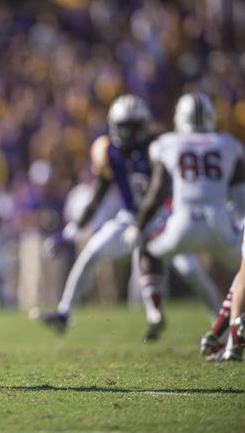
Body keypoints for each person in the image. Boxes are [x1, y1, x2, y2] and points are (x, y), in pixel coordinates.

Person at [41, 95, 221, 340]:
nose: (127, 133)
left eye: (133, 127)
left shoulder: (160, 145)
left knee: (189, 269)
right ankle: (65, 312)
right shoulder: (110, 152)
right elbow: (98, 196)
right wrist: (72, 231)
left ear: (144, 125)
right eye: (123, 127)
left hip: (165, 215)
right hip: (129, 220)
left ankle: (220, 321)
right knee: (92, 251)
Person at [121, 93, 245, 355]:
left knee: (147, 246)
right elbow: (239, 195)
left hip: (182, 226)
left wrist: (138, 225)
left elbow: (157, 191)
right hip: (221, 226)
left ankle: (155, 308)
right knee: (243, 273)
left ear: (179, 118)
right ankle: (231, 334)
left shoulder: (168, 144)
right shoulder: (227, 144)